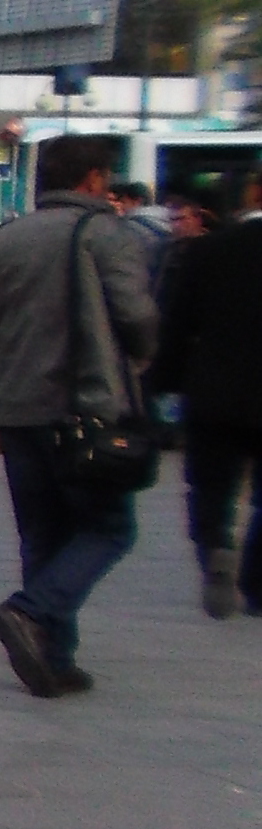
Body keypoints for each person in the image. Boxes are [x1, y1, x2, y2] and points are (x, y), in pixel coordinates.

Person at [0, 135, 158, 698]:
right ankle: (31, 611)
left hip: (19, 411)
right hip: (87, 407)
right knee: (109, 528)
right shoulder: (107, 234)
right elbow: (137, 316)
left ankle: (53, 659)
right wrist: (141, 361)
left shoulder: (4, 240)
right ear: (94, 178)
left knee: (42, 534)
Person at [147, 170, 262, 618]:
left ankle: (216, 545)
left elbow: (177, 323)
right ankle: (257, 582)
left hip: (214, 392)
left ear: (252, 193)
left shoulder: (210, 249)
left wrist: (162, 384)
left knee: (210, 485)